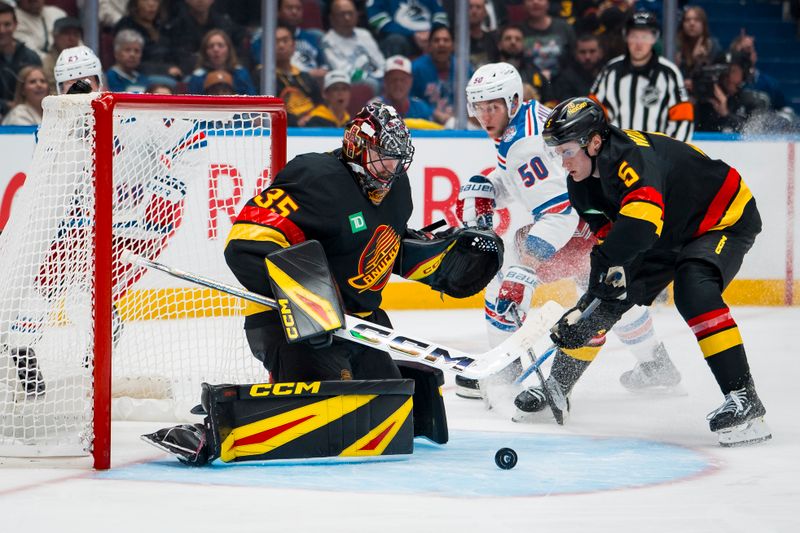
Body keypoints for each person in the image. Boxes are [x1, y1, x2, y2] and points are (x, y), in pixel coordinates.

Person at [516, 96, 770, 447]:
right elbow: (615, 252)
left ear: (594, 142)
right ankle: (557, 387)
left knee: (693, 288)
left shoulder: (631, 159)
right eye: (558, 152)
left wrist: (600, 283)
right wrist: (590, 305)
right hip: (667, 229)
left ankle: (745, 400)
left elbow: (638, 229)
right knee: (599, 307)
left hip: (720, 219)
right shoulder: (581, 184)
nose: (563, 162)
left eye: (567, 151)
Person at [455, 63, 679, 399]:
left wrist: (524, 270)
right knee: (607, 293)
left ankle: (503, 371)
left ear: (513, 101)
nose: (486, 116)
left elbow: (559, 212)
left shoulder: (524, 144)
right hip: (610, 222)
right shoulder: (527, 118)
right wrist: (490, 186)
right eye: (480, 107)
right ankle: (656, 364)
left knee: (501, 280)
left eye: (494, 106)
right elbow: (538, 182)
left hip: (584, 225)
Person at [2, 45, 198, 397]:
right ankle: (23, 349)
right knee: (42, 287)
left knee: (89, 297)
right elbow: (54, 188)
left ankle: (101, 345)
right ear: (58, 91)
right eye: (70, 86)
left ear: (100, 80)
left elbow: (191, 137)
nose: (79, 91)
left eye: (86, 83)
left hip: (137, 224)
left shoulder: (135, 112)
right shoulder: (51, 129)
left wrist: (170, 189)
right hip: (83, 224)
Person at [590, 10, 694, 142]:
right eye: (634, 36)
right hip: (619, 153)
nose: (639, 43)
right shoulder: (611, 71)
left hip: (656, 155)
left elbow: (683, 118)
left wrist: (670, 154)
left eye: (645, 37)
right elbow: (593, 113)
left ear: (654, 38)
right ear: (626, 37)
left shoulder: (669, 73)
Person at [320, 0, 385, 93]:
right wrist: (375, 76)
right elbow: (344, 71)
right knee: (372, 83)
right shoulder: (328, 41)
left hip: (375, 76)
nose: (347, 18)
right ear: (332, 18)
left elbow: (380, 62)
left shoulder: (364, 34)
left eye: (350, 13)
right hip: (351, 81)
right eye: (342, 14)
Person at [274, 23, 321, 126]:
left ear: (293, 45)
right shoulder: (263, 77)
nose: (281, 45)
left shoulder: (305, 76)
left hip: (312, 126)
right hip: (284, 129)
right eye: (276, 42)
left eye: (285, 41)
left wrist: (311, 118)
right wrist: (295, 122)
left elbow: (320, 104)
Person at [0, 1, 42, 118]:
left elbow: (42, 93)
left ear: (15, 25)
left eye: (7, 24)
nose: (2, 30)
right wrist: (7, 105)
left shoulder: (30, 57)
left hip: (28, 119)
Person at [367, 0, 450, 58]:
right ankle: (397, 80)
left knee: (441, 40)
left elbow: (441, 16)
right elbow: (377, 19)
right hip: (402, 39)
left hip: (430, 37)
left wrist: (432, 33)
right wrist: (412, 34)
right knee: (395, 41)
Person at [186, 29, 255, 96]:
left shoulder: (241, 74)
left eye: (220, 45)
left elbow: (252, 102)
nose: (216, 49)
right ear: (205, 52)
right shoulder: (197, 77)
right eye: (211, 46)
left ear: (229, 49)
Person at [371, 55, 435, 125]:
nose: (398, 84)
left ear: (411, 81)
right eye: (393, 79)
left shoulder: (421, 108)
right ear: (385, 81)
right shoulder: (373, 108)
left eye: (403, 80)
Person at [551, 33, 604, 103]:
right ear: (575, 54)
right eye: (582, 52)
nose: (587, 57)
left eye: (592, 51)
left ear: (600, 53)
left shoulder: (607, 75)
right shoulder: (565, 79)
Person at [41, 16, 83, 92]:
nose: (71, 38)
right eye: (66, 34)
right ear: (55, 36)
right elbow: (51, 94)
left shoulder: (86, 60)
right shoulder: (47, 63)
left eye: (75, 34)